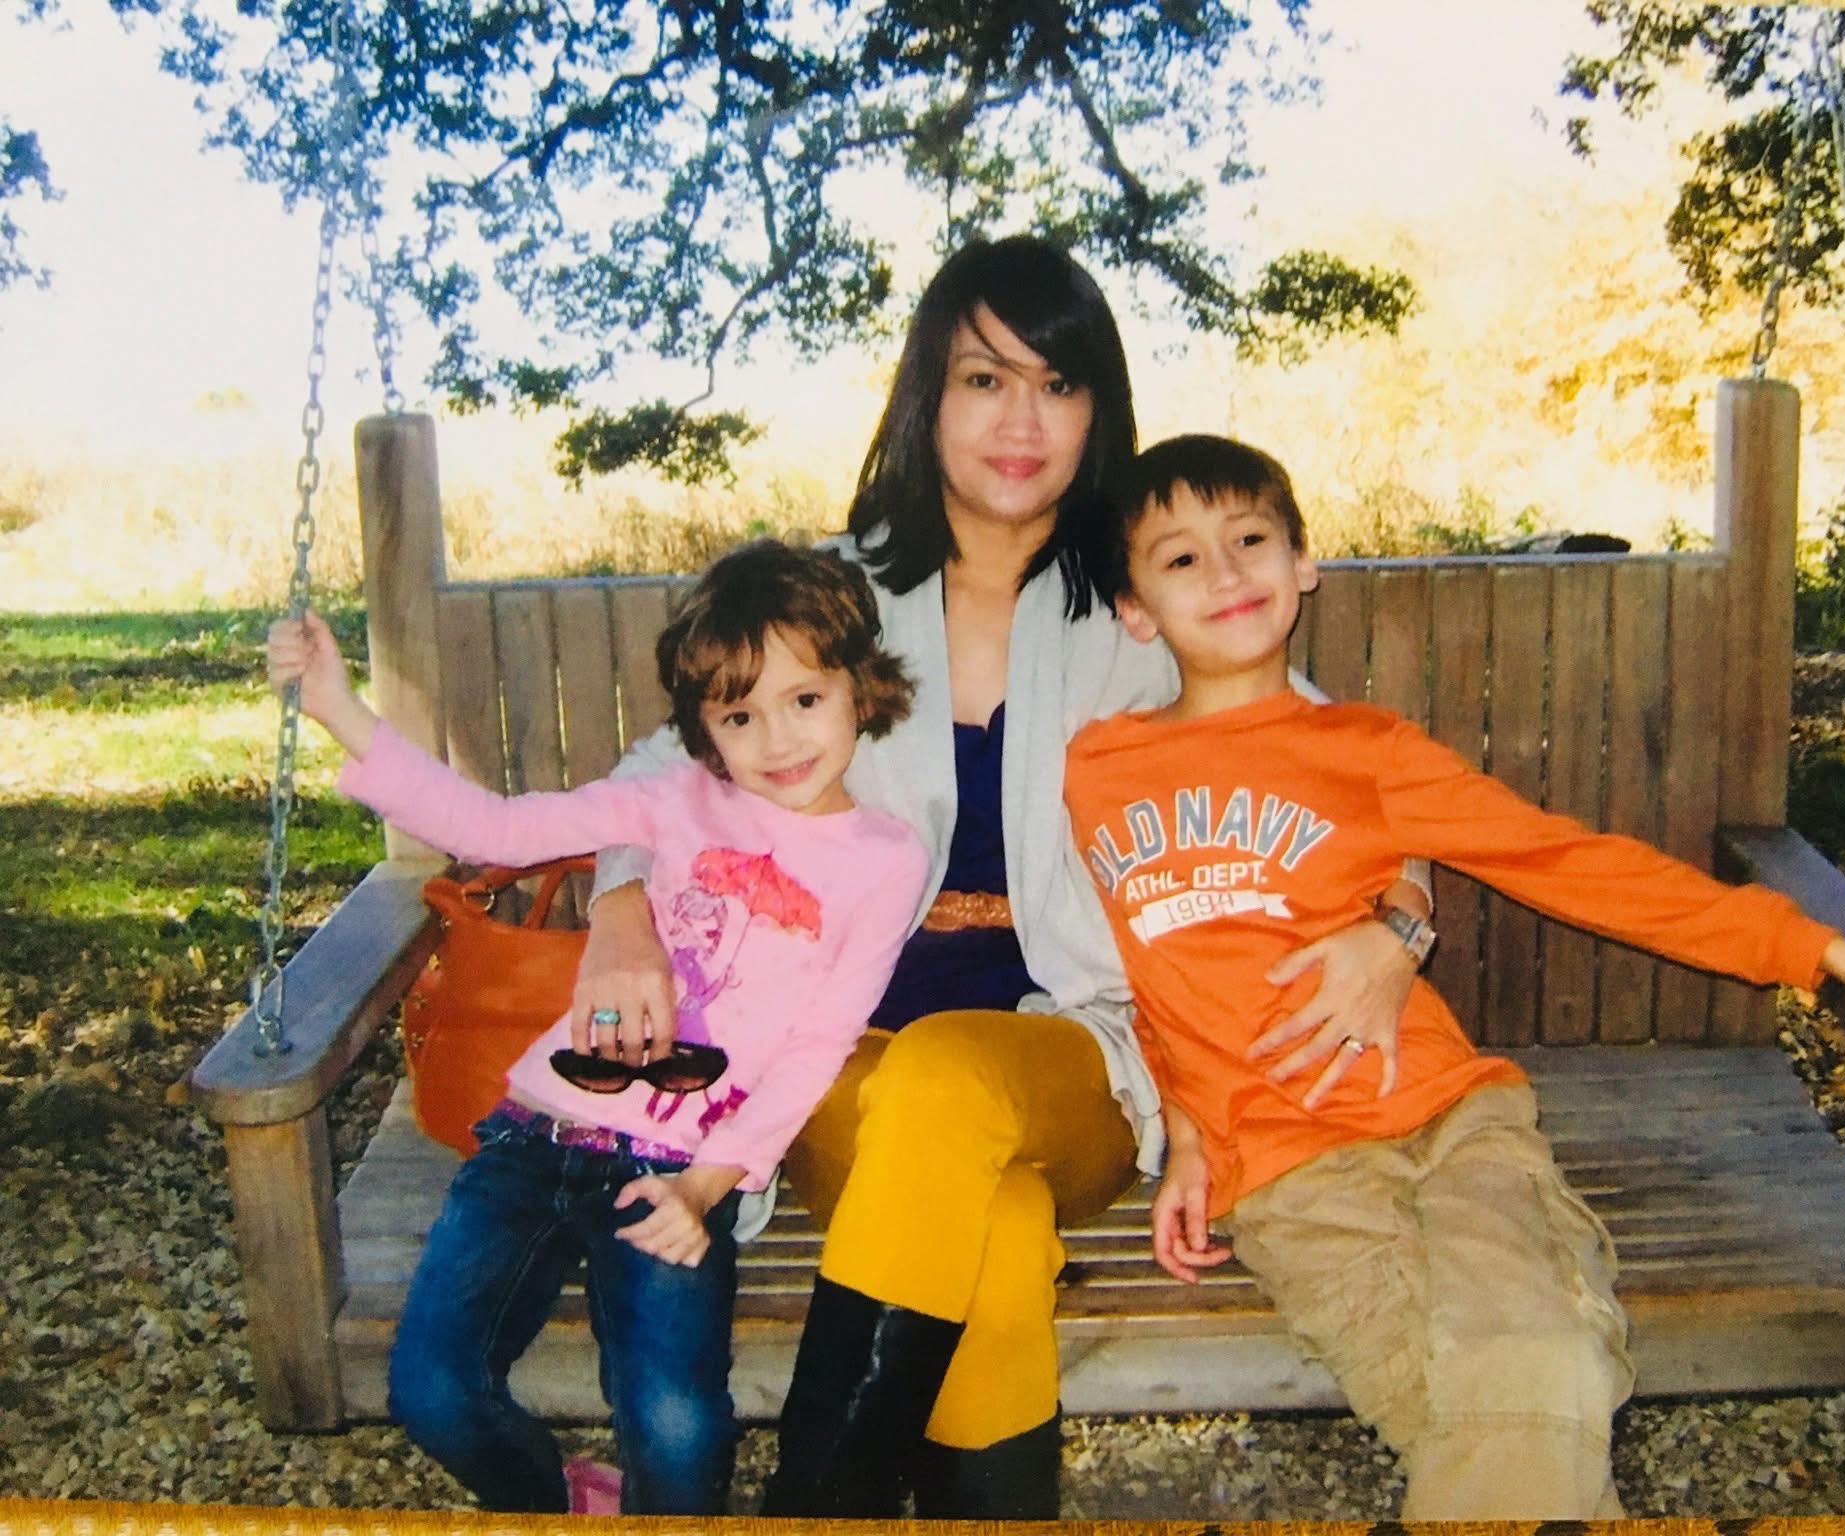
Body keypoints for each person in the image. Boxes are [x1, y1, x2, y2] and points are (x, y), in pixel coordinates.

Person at [573, 236, 1438, 1518]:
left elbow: (1363, 782)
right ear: (929, 395)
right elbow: (662, 766)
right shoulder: (838, 593)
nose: (1022, 421)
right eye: (984, 379)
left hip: (1073, 1051)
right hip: (836, 1048)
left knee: (949, 1084)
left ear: (1098, 409)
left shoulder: (1145, 601)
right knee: (999, 1227)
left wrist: (1396, 925)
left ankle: (815, 1510)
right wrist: (617, 912)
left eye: (1058, 382)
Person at [1062, 432, 1845, 1520]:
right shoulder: (1101, 770)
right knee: (1510, 1387)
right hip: (1284, 1169)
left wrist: (1817, 948)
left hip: (1452, 1117)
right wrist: (1187, 1128)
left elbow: (1565, 863)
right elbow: (1156, 972)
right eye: (1180, 558)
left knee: (1534, 1354)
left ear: (1302, 564)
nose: (1225, 572)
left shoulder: (1368, 750)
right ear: (1135, 611)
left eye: (1248, 539)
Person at [264, 541, 929, 1515]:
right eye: (739, 715)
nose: (778, 740)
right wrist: (338, 708)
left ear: (858, 690)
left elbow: (815, 1049)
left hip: (673, 1170)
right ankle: (566, 1504)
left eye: (804, 699)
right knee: (433, 1390)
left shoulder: (883, 859)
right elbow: (493, 829)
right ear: (703, 728)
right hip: (537, 1135)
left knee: (678, 1431)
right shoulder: (673, 800)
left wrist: (703, 1189)